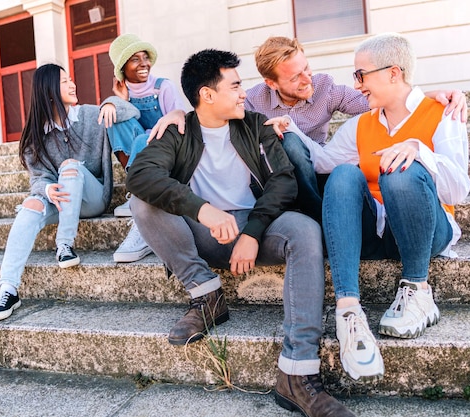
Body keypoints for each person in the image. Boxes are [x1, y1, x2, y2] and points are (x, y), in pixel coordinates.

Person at [126, 49, 356, 417]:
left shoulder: (254, 124)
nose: (243, 93)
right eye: (234, 86)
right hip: (202, 234)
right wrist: (203, 209)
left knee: (304, 229)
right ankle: (206, 296)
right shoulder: (178, 131)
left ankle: (297, 374)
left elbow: (282, 182)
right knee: (143, 202)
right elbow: (139, 176)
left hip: (253, 228)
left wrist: (252, 231)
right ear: (207, 94)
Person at [281, 32, 470, 382]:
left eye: (361, 75)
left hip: (427, 231)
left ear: (393, 73)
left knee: (400, 170)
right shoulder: (360, 124)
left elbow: (458, 189)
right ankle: (349, 311)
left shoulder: (442, 113)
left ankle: (417, 290)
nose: (358, 86)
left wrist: (418, 150)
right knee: (341, 175)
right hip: (378, 233)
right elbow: (321, 161)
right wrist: (290, 128)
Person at [150, 36, 467, 224]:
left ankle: (318, 220)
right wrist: (179, 111)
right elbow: (212, 110)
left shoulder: (326, 88)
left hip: (315, 173)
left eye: (307, 69)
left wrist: (429, 95)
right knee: (278, 143)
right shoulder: (255, 99)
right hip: (273, 176)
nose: (307, 79)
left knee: (292, 143)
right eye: (296, 77)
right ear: (272, 83)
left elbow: (378, 98)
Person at [0, 63, 139, 322]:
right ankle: (8, 289)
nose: (73, 84)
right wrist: (47, 189)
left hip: (92, 199)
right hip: (61, 200)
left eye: (71, 80)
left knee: (70, 167)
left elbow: (131, 111)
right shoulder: (35, 135)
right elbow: (37, 179)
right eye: (65, 81)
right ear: (48, 92)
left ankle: (64, 243)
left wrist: (112, 103)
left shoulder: (91, 115)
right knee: (30, 206)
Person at [105, 34, 187, 263]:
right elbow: (121, 124)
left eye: (145, 57)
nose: (144, 64)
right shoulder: (125, 93)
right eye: (135, 59)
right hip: (143, 156)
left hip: (168, 151)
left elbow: (179, 119)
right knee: (116, 119)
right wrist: (118, 100)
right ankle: (137, 190)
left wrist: (152, 133)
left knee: (143, 139)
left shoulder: (163, 87)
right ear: (122, 68)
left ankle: (137, 195)